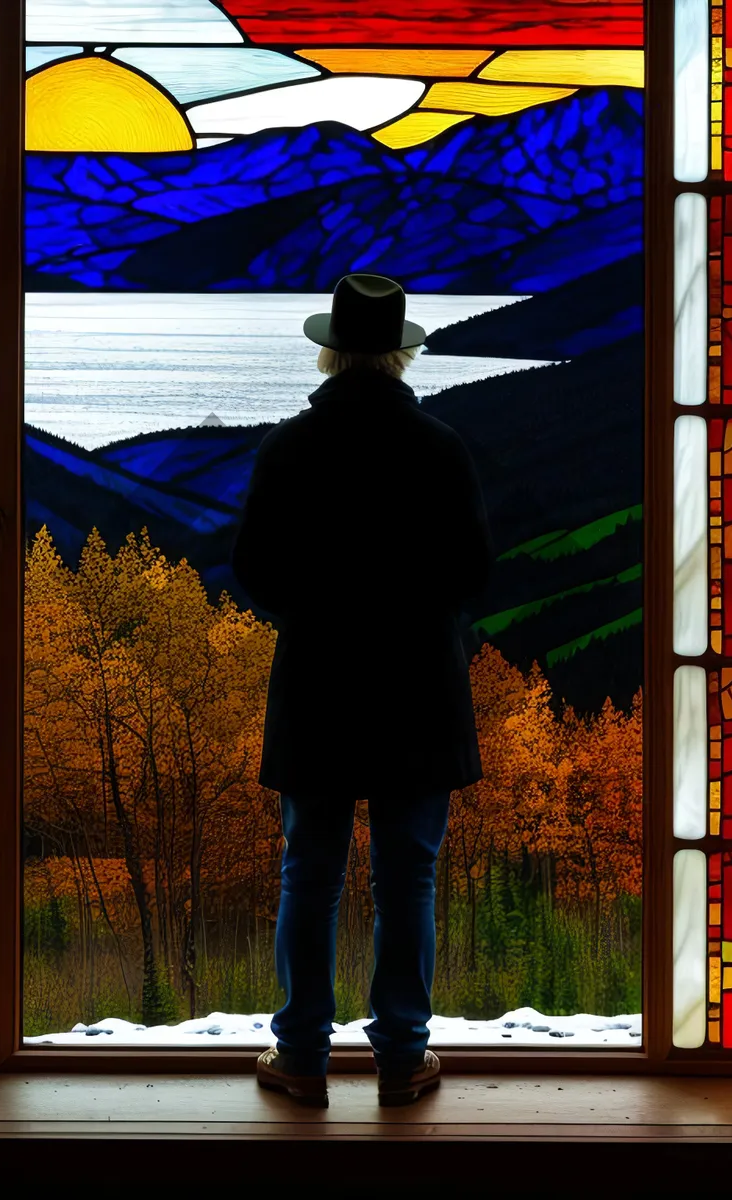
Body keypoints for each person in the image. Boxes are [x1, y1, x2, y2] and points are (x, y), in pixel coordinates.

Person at [231, 273, 493, 1108]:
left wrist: (314, 616)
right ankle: (403, 1058)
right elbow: (473, 573)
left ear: (330, 351)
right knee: (407, 877)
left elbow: (253, 573)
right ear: (401, 355)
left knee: (309, 873)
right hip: (419, 688)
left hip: (318, 688)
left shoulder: (288, 449)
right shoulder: (442, 448)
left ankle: (301, 1057)